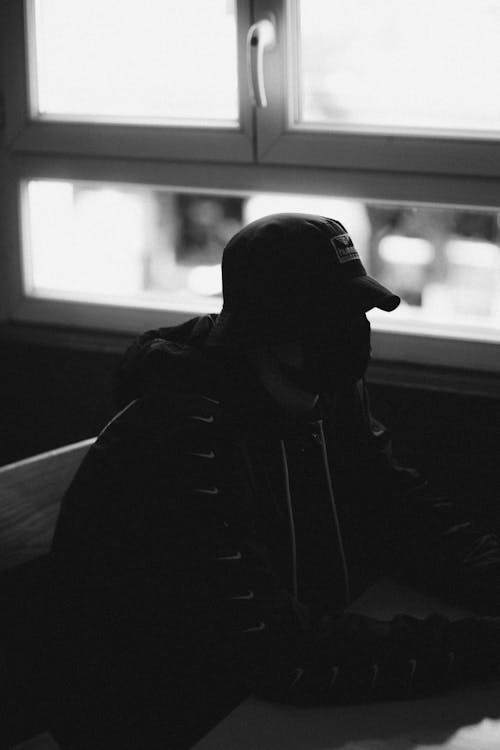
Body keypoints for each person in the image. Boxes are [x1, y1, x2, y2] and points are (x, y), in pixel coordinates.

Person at [43, 214, 500, 748]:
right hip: (171, 721)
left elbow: (399, 511)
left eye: (355, 318)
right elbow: (281, 657)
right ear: (267, 335)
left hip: (264, 711)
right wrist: (482, 645)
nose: (351, 347)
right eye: (329, 327)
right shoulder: (182, 437)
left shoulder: (321, 391)